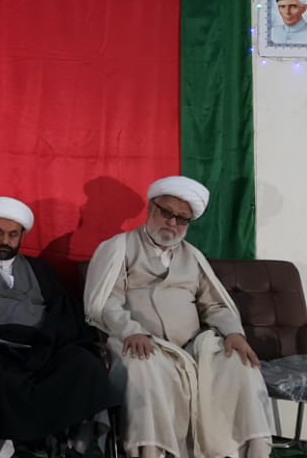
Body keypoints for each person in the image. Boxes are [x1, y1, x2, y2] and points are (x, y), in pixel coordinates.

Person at [84, 176, 273, 458]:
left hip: (193, 347)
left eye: (182, 219)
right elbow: (106, 300)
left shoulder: (192, 256)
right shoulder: (118, 247)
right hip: (141, 341)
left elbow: (215, 305)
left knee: (239, 362)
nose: (172, 223)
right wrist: (131, 331)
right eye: (166, 213)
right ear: (151, 208)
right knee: (143, 364)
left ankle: (245, 451)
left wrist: (234, 333)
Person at [0, 196, 118, 457]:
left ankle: (76, 443)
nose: (5, 240)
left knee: (84, 362)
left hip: (42, 344)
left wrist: (48, 342)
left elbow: (61, 314)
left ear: (22, 236)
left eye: (13, 235)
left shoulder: (41, 271)